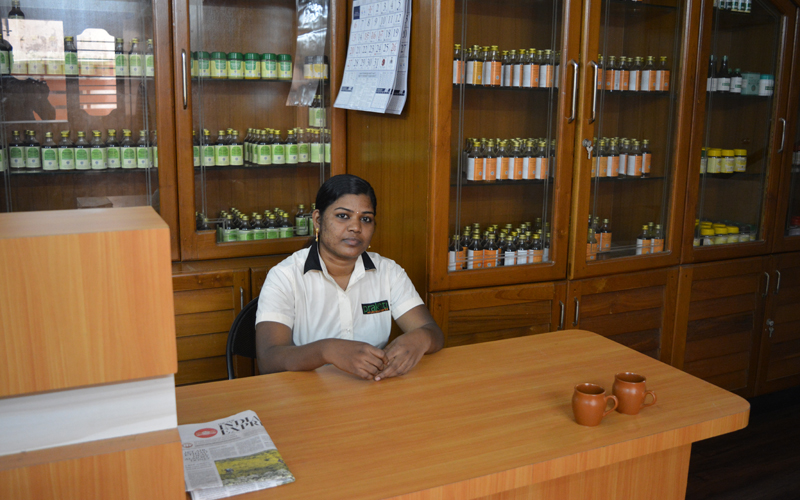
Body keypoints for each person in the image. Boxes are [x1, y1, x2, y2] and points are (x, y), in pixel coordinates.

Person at [255, 174, 444, 381]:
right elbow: (269, 359)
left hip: (373, 389)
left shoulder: (388, 272)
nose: (356, 227)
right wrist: (326, 350)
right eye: (343, 216)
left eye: (366, 219)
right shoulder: (284, 277)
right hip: (309, 395)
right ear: (318, 220)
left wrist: (421, 338)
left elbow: (433, 332)